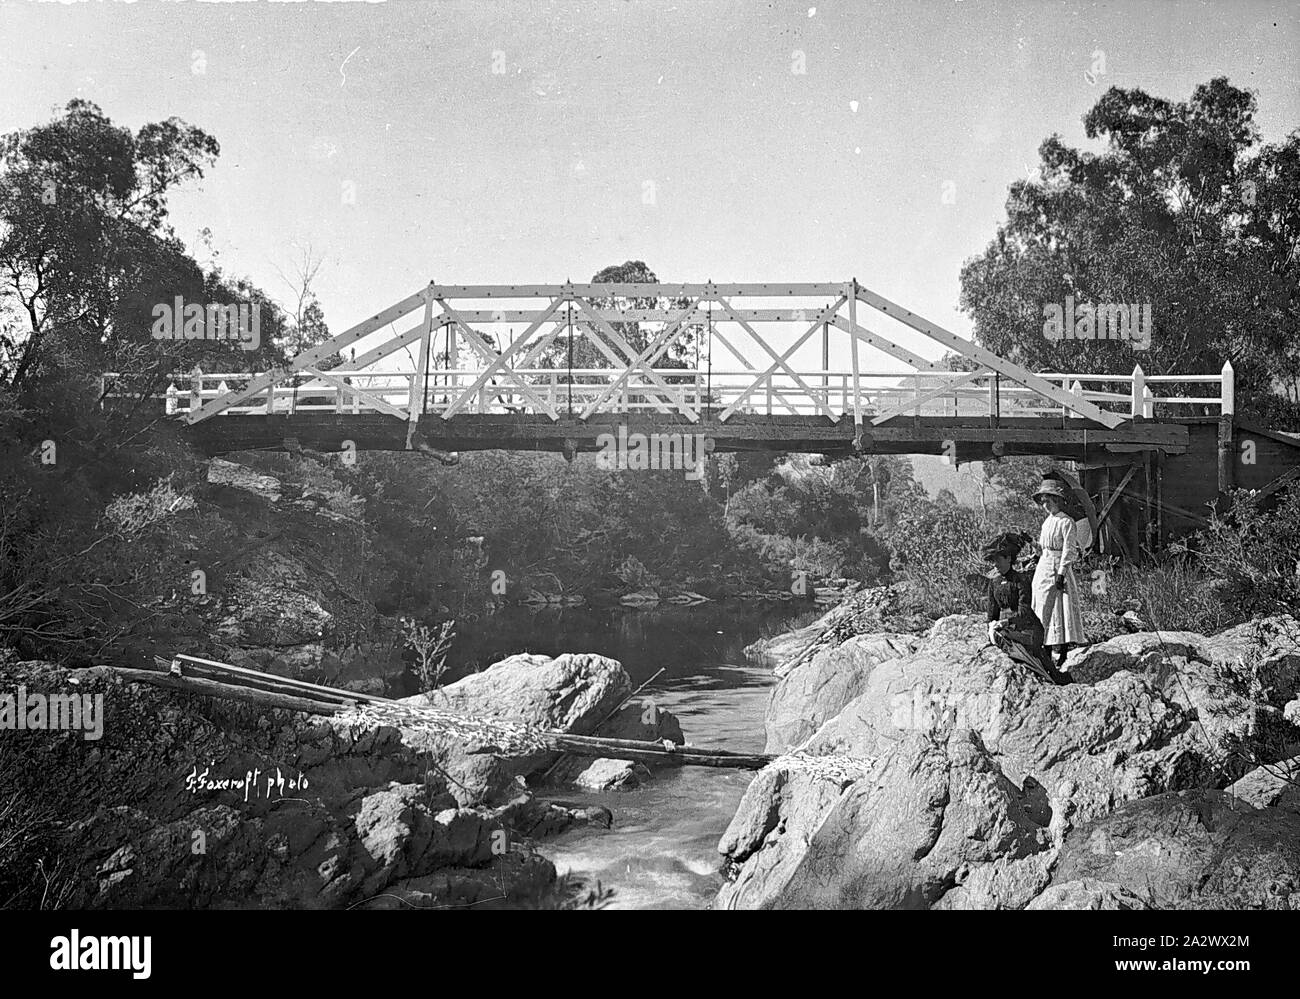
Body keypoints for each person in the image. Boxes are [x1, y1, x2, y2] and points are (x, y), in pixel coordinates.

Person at [982, 531, 1070, 685]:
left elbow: (1025, 612)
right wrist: (990, 627)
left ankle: (1046, 673)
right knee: (998, 638)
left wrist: (1005, 623)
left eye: (998, 560)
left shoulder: (1020, 580)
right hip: (1008, 629)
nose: (995, 565)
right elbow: (992, 613)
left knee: (1011, 642)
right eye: (993, 561)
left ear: (1008, 558)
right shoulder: (994, 583)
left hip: (1028, 628)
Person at [1030, 477, 1085, 675]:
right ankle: (1044, 648)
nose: (1046, 505)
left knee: (1059, 608)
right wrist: (1032, 546)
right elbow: (1043, 548)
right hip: (1044, 567)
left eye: (1049, 501)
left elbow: (1069, 549)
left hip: (1057, 567)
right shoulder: (1047, 522)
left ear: (1058, 500)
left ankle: (1059, 650)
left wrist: (1062, 573)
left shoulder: (1066, 522)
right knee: (1042, 606)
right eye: (1043, 502)